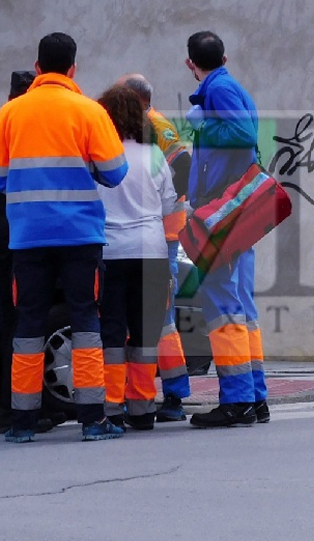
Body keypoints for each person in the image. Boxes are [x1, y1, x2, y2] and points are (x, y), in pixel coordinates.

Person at [0, 32, 128, 443]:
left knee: (28, 322)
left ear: (36, 68)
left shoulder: (10, 114)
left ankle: (22, 423)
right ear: (73, 69)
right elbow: (116, 172)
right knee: (85, 320)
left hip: (28, 236)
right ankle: (92, 419)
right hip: (79, 235)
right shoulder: (89, 111)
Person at [0, 70, 65, 435]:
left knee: (16, 319)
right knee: (26, 321)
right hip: (22, 230)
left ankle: (18, 406)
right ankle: (16, 411)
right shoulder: (17, 132)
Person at [184, 30, 269, 427]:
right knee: (241, 305)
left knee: (223, 304)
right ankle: (255, 398)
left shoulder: (218, 90)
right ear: (226, 56)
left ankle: (237, 401)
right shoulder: (228, 86)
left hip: (221, 212)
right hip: (235, 212)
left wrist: (202, 124)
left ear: (190, 64)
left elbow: (243, 136)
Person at [95, 85, 178, 431]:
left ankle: (112, 406)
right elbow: (170, 204)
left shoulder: (99, 157)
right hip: (152, 252)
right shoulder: (154, 156)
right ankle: (142, 407)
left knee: (112, 332)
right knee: (145, 333)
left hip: (111, 251)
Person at [117, 73, 192, 422]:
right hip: (154, 238)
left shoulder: (155, 126)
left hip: (161, 238)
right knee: (152, 325)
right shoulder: (141, 129)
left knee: (159, 324)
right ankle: (148, 397)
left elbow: (182, 168)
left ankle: (172, 397)